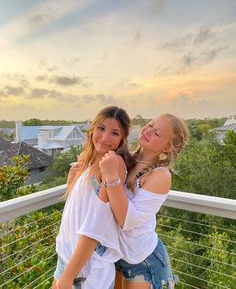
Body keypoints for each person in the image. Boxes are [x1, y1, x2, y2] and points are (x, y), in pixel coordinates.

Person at [99, 113, 189, 289]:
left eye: (157, 133)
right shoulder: (126, 159)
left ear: (167, 148)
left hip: (144, 263)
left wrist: (111, 177)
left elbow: (127, 221)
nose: (148, 131)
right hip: (116, 255)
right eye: (149, 125)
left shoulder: (160, 175)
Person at [52, 106, 135, 289]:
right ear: (93, 129)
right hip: (67, 258)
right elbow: (80, 210)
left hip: (84, 271)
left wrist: (68, 276)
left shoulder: (113, 164)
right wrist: (72, 183)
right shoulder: (91, 160)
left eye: (114, 133)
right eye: (101, 128)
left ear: (122, 139)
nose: (105, 137)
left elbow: (96, 225)